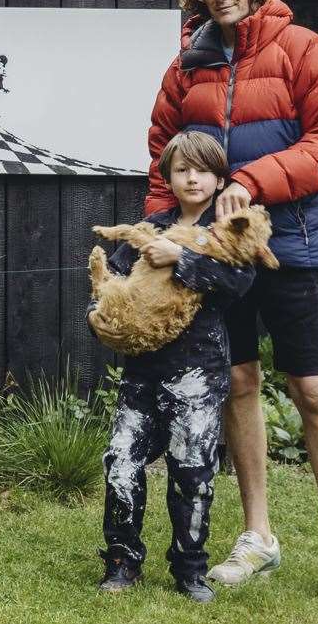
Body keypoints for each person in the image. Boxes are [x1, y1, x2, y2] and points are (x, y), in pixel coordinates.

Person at [145, 0, 318, 607]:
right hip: (216, 258)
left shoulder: (303, 49)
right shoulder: (186, 68)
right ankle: (258, 536)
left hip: (291, 245)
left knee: (311, 389)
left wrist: (252, 178)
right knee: (238, 381)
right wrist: (167, 237)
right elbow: (164, 155)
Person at [95, 131, 256, 603]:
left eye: (201, 169)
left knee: (192, 470)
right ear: (167, 176)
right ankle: (122, 561)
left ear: (219, 177)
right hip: (142, 371)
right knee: (121, 464)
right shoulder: (150, 225)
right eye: (181, 169)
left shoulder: (228, 228)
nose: (191, 178)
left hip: (198, 374)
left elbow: (239, 281)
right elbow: (116, 283)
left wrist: (181, 258)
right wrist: (100, 316)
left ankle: (190, 569)